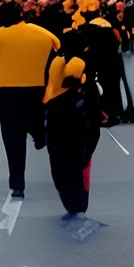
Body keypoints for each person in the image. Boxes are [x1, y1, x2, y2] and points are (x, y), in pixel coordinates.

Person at [0, 0, 60, 198]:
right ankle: (39, 134)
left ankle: (17, 184)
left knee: (12, 137)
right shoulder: (42, 33)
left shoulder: (0, 35)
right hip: (36, 88)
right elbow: (58, 45)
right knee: (36, 121)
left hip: (8, 89)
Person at [43, 55, 101, 218]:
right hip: (70, 138)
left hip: (67, 139)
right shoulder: (85, 92)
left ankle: (77, 205)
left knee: (66, 174)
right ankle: (78, 205)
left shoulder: (58, 96)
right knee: (73, 174)